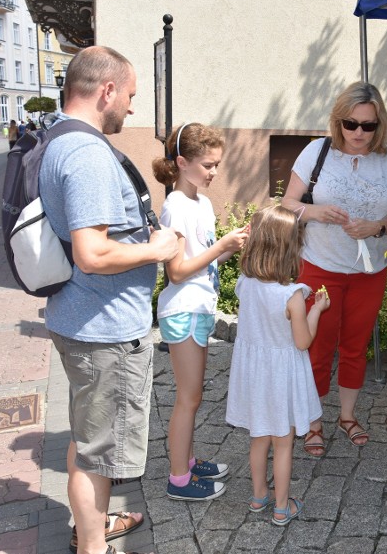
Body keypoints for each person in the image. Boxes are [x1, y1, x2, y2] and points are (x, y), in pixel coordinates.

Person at [39, 46, 179, 554]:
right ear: (106, 92)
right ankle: (92, 546)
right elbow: (92, 252)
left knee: (86, 438)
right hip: (104, 332)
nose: (132, 108)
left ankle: (90, 529)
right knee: (98, 455)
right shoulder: (88, 153)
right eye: (131, 96)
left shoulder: (58, 138)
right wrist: (155, 248)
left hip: (80, 319)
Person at [281, 82, 387, 456]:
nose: (358, 134)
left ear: (379, 124)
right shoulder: (316, 151)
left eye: (368, 126)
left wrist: (377, 227)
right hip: (320, 266)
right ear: (339, 121)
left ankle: (347, 416)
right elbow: (286, 203)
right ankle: (314, 421)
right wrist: (316, 211)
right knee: (317, 346)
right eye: (351, 124)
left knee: (355, 347)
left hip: (370, 271)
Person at [152, 122, 249, 501]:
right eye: (208, 165)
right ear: (182, 162)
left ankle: (187, 461)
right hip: (184, 310)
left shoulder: (202, 203)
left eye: (216, 165)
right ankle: (179, 478)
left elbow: (205, 258)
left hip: (199, 308)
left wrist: (233, 244)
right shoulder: (175, 207)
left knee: (193, 396)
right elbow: (175, 271)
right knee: (187, 398)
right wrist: (221, 245)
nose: (213, 172)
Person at [225, 205, 329, 525]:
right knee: (283, 444)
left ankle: (259, 496)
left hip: (255, 377)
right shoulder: (293, 296)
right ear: (290, 250)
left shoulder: (245, 284)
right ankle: (282, 507)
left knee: (259, 438)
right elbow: (302, 341)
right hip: (281, 379)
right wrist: (317, 309)